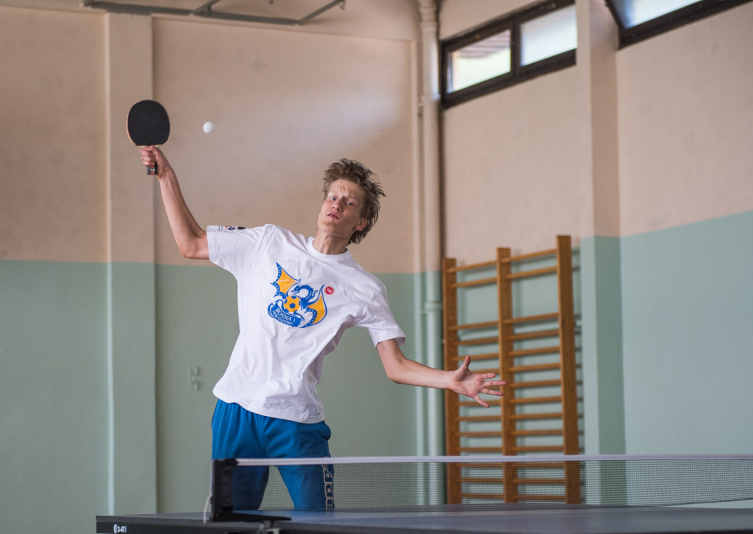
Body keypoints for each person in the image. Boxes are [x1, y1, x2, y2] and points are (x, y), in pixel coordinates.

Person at [139, 146, 505, 510]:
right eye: (332, 196)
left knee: (320, 523)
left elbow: (395, 366)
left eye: (349, 202)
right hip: (237, 408)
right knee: (230, 522)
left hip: (297, 420)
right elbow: (191, 243)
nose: (337, 204)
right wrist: (166, 176)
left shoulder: (365, 288)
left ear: (360, 223)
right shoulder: (268, 242)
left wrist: (449, 380)